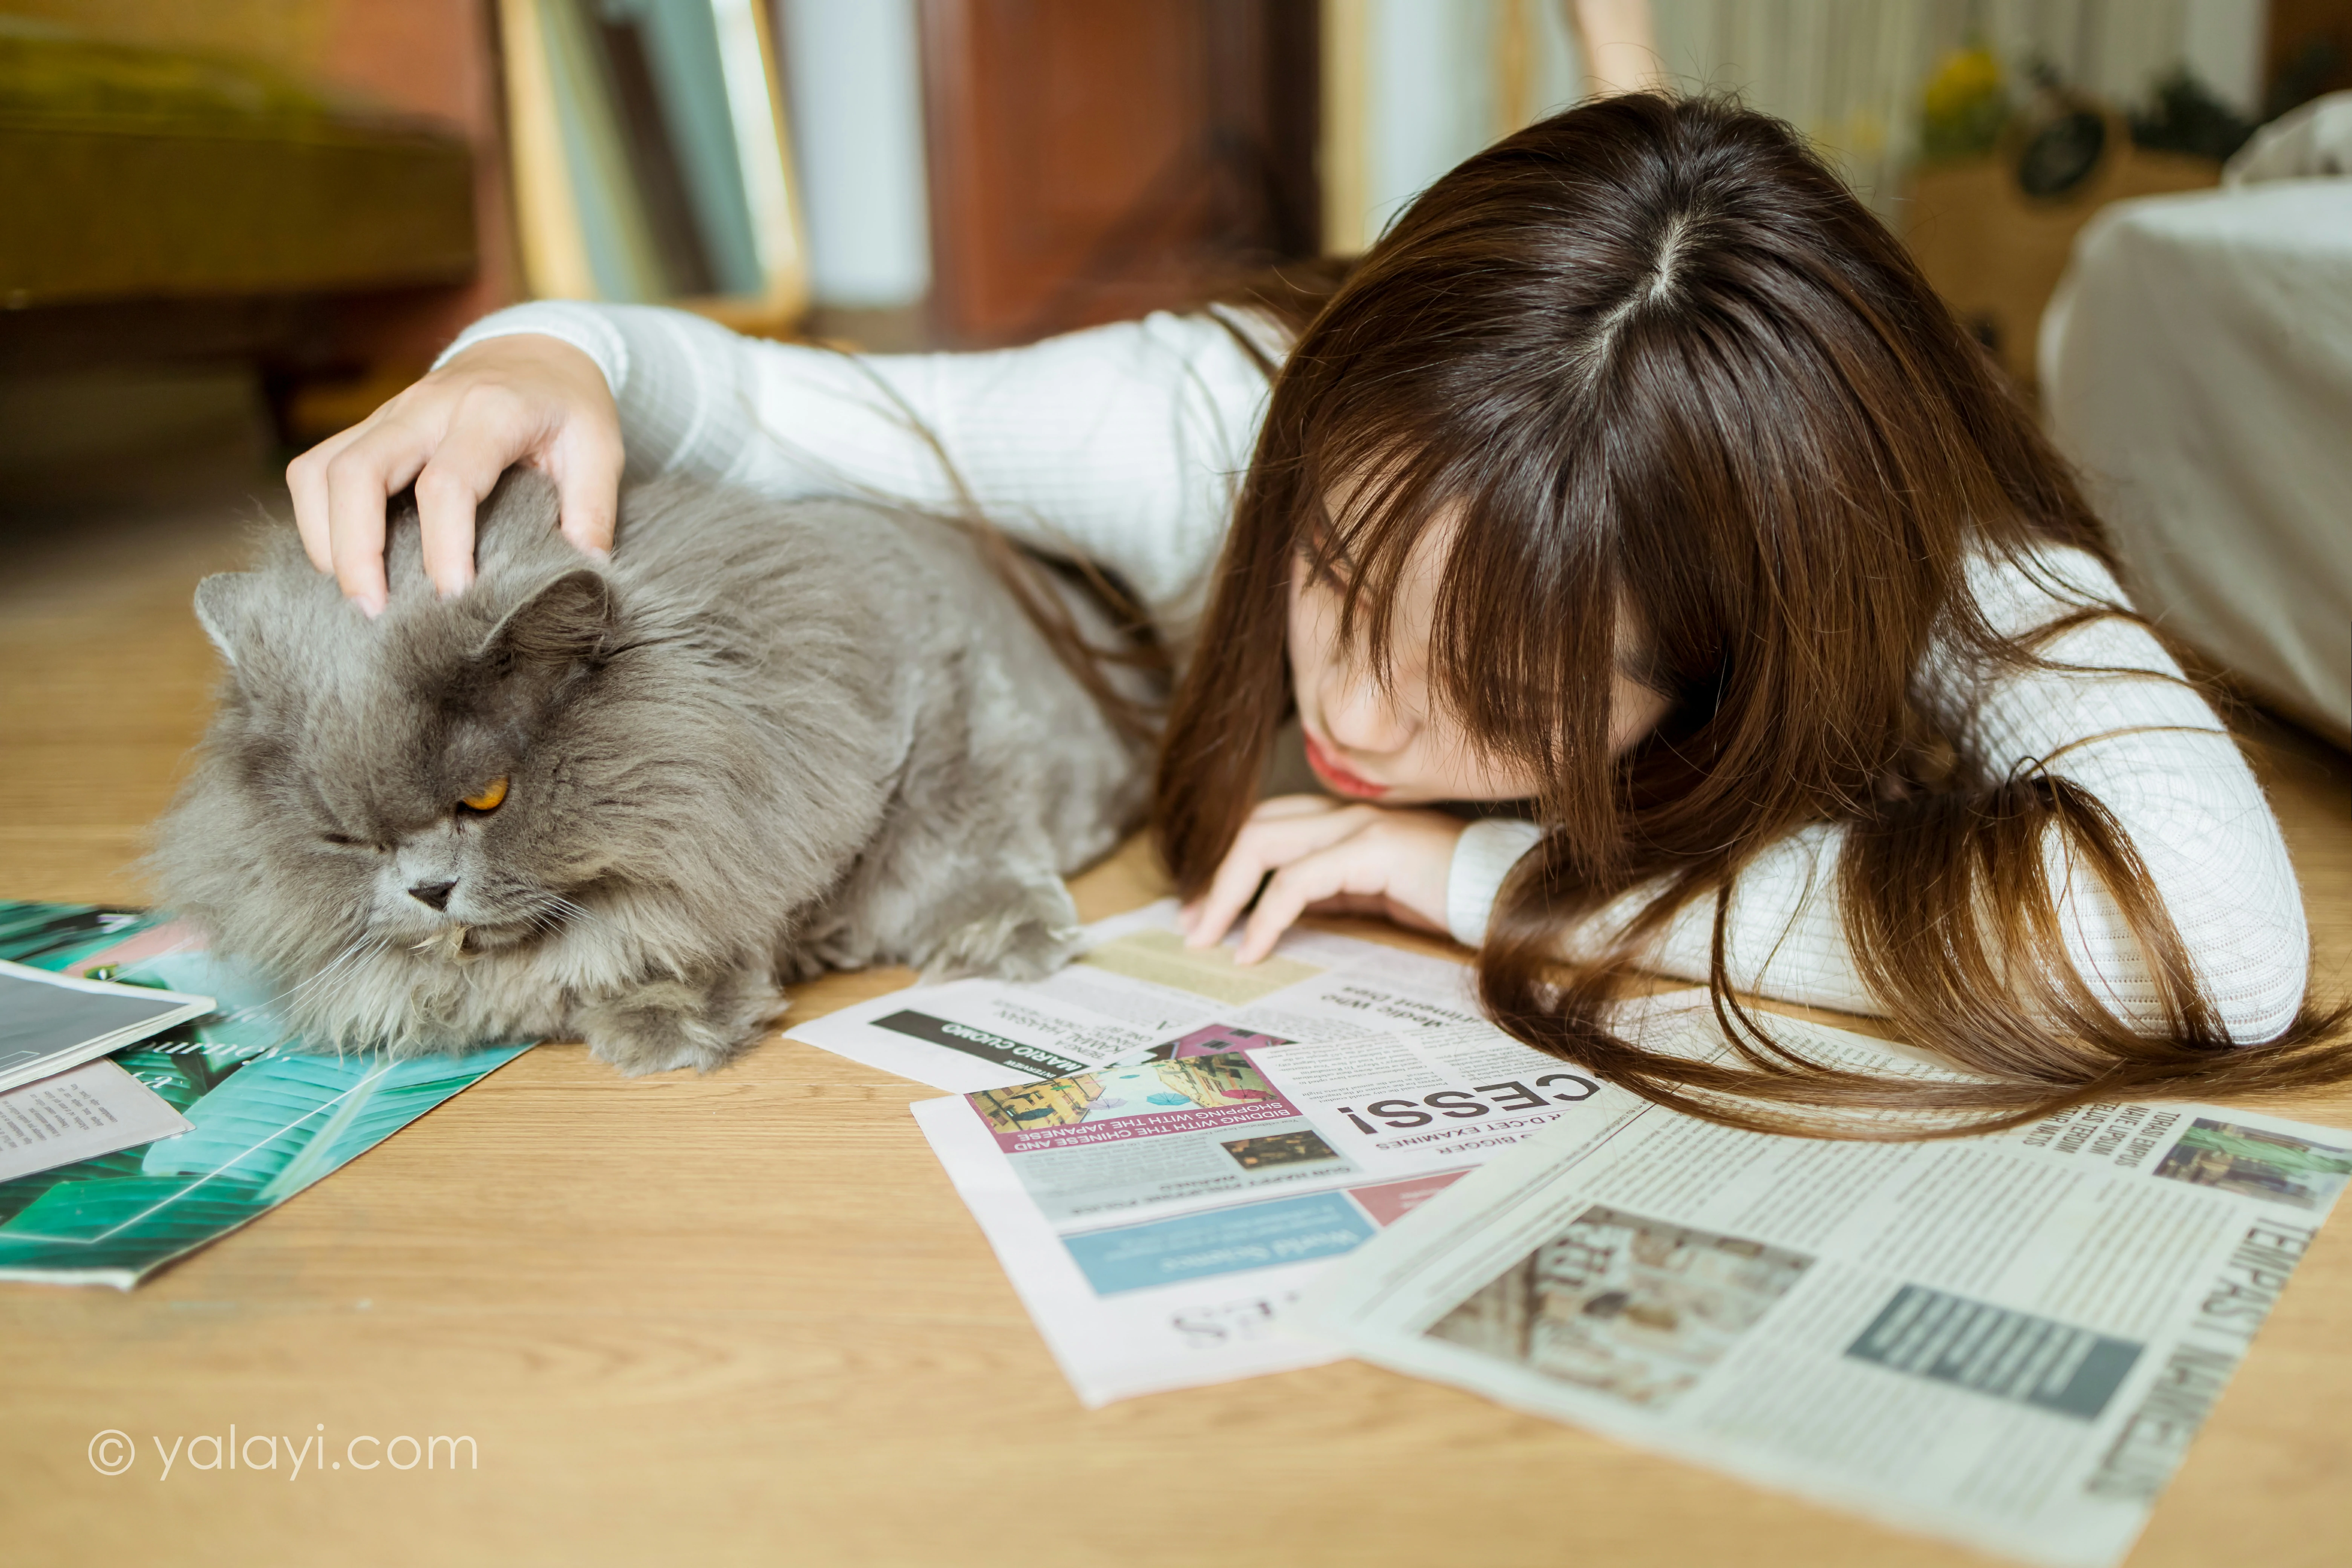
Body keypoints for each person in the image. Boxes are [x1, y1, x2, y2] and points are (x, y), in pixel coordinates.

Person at [285, 93, 2348, 1134]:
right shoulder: (1200, 417)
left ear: (1730, 681)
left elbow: (2227, 951)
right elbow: (740, 389)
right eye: (1341, 587)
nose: (1361, 705)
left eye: (1502, 697)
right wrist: (530, 361)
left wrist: (1467, 880)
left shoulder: (1926, 571)